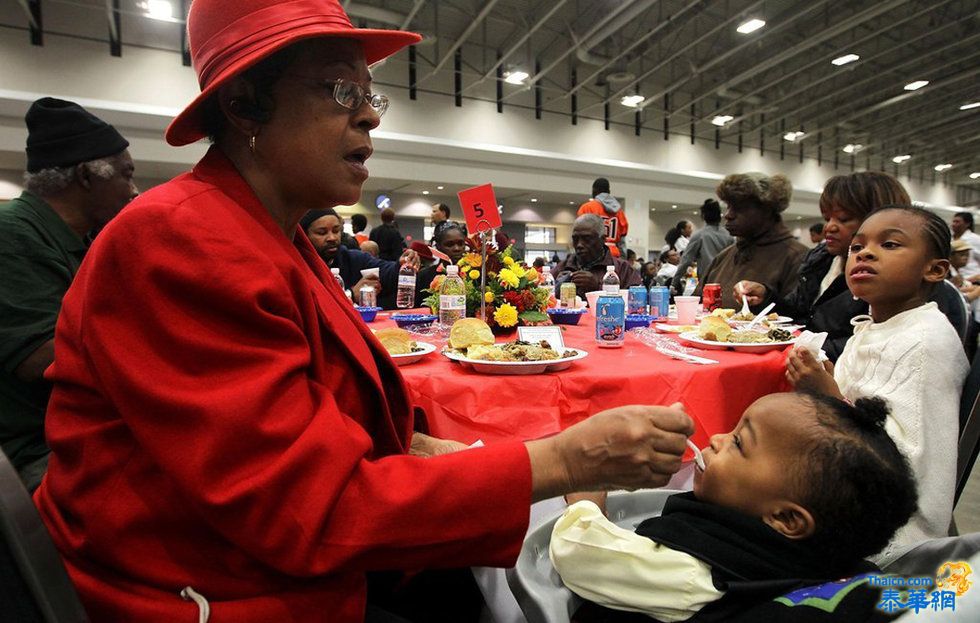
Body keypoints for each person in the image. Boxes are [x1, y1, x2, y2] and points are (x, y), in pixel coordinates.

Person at [34, 3, 697, 622]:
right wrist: (567, 460)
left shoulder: (267, 231)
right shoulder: (180, 241)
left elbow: (326, 421)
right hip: (206, 590)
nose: (371, 117)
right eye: (338, 90)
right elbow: (307, 516)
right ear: (243, 107)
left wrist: (459, 452)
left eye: (369, 94)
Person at [551, 392, 917, 622]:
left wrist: (585, 501)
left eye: (739, 443)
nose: (717, 438)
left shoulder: (694, 574)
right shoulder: (823, 551)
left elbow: (580, 553)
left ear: (785, 518)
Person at [787, 206, 968, 566]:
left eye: (889, 244)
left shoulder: (924, 342)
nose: (864, 253)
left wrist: (827, 395)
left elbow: (903, 461)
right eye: (857, 247)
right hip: (848, 490)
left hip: (887, 536)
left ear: (934, 270)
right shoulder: (875, 328)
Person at [0, 97, 137, 492]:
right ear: (87, 176)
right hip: (36, 448)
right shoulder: (13, 233)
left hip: (79, 428)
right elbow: (40, 357)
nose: (133, 190)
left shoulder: (83, 239)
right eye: (126, 175)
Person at [736, 173, 966, 361]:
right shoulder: (823, 261)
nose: (830, 228)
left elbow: (874, 346)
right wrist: (766, 298)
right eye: (827, 219)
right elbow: (800, 310)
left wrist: (799, 344)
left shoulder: (907, 288)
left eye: (844, 219)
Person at [698, 172, 807, 309]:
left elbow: (796, 319)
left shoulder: (798, 258)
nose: (728, 215)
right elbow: (695, 306)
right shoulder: (723, 257)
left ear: (766, 209)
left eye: (739, 207)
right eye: (728, 206)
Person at [302, 207, 416, 309]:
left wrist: (402, 264)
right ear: (304, 235)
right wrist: (351, 294)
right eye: (322, 233)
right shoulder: (297, 265)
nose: (332, 237)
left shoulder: (352, 257)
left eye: (336, 231)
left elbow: (387, 271)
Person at [555, 214, 641, 299]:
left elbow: (636, 302)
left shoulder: (623, 269)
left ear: (603, 239)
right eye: (575, 239)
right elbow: (544, 297)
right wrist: (556, 288)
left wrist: (598, 287)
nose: (579, 245)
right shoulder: (563, 267)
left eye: (587, 239)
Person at [671, 199, 734, 294]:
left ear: (703, 216)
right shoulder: (729, 235)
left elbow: (686, 261)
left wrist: (674, 283)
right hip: (727, 281)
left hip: (707, 282)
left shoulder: (699, 235)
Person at [415, 222, 468, 307]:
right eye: (449, 244)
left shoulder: (475, 275)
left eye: (460, 243)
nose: (456, 248)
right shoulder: (424, 276)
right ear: (438, 246)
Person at [578, 177, 628, 258]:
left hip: (593, 254)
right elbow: (622, 242)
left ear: (594, 191)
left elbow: (581, 235)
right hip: (614, 255)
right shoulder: (619, 212)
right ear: (609, 192)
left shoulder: (587, 208)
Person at [951, 211, 980, 278]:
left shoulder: (975, 239)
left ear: (967, 224)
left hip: (972, 276)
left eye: (957, 222)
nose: (953, 224)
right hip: (955, 276)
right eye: (953, 221)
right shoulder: (949, 239)